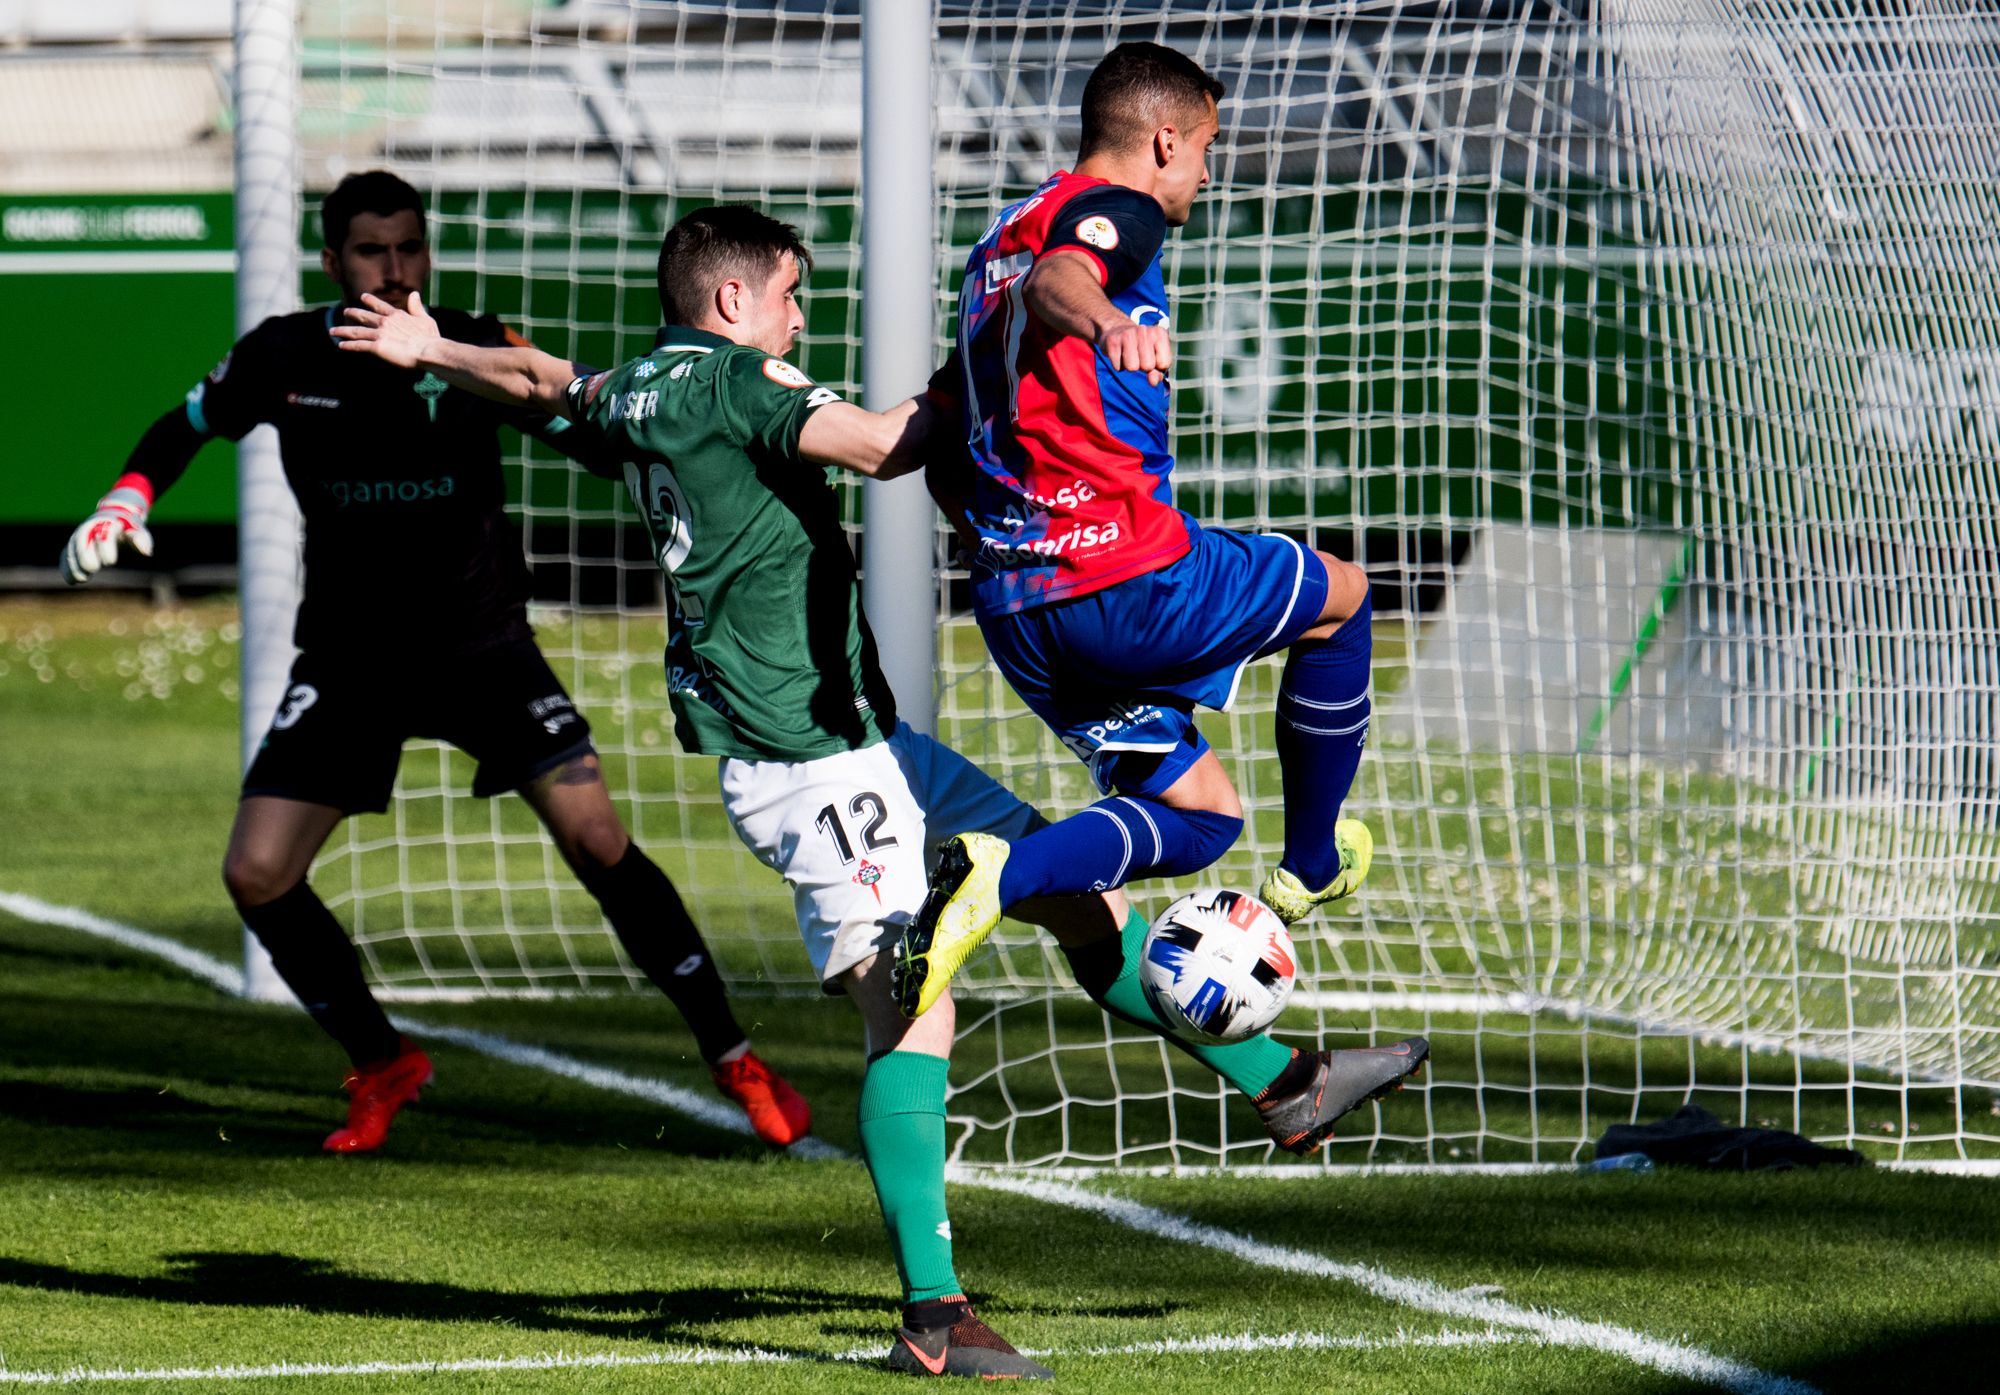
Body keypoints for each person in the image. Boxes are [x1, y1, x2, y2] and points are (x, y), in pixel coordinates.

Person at [335, 203, 1423, 1379]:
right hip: (807, 768)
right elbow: (880, 444)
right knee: (909, 1010)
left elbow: (549, 381)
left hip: (866, 740)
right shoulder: (733, 384)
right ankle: (933, 1315)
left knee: (1079, 900)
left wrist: (435, 350)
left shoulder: (645, 386)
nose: (800, 316)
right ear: (734, 301)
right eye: (792, 295)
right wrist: (994, 343)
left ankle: (1286, 1088)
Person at [58, 170, 809, 1155]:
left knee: (596, 840)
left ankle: (732, 1055)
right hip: (349, 657)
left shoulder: (471, 348)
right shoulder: (284, 352)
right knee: (256, 872)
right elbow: (183, 427)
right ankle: (381, 1061)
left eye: (409, 247)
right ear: (333, 263)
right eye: (372, 251)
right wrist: (127, 499)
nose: (395, 268)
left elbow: (597, 435)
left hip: (482, 647)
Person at [898, 46, 1418, 1149]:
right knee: (1343, 598)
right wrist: (1104, 322)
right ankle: (1313, 864)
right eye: (1206, 153)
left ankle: (1274, 1078)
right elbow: (1065, 281)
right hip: (1121, 574)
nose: (1202, 179)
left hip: (1018, 607)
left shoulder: (989, 247)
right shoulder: (1110, 211)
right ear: (1167, 139)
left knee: (1198, 820)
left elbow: (947, 416)